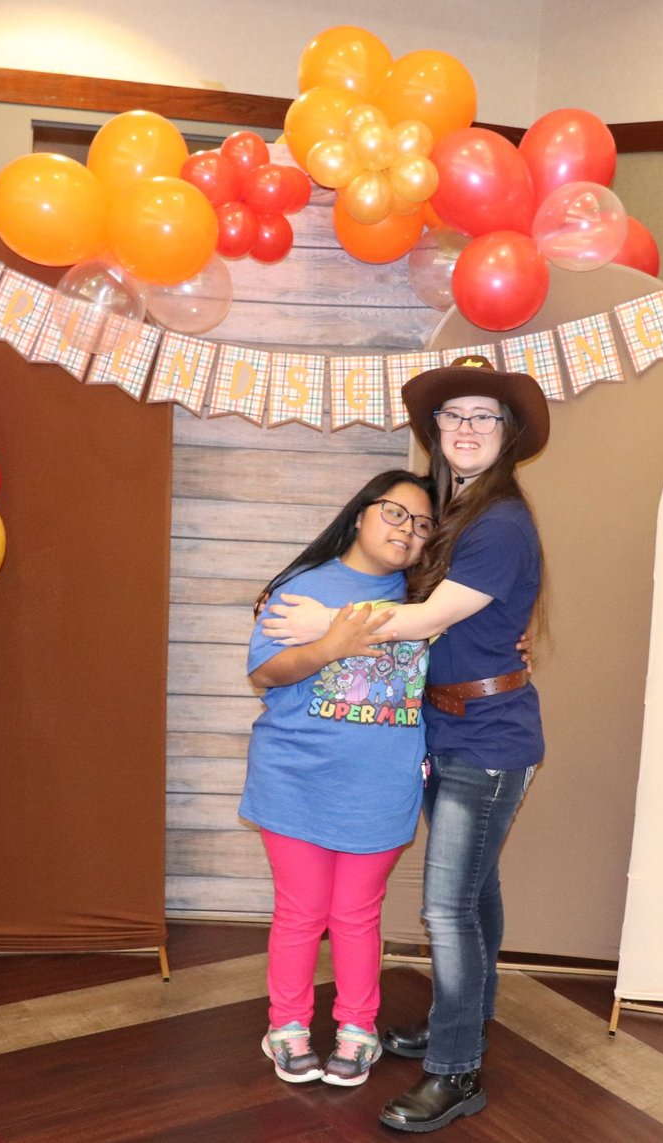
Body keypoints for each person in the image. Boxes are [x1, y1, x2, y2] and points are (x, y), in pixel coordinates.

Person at [264, 355, 549, 1132]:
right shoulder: (451, 512)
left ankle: (456, 1070)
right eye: (453, 415)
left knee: (447, 908)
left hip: (488, 739)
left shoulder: (500, 521)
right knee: (475, 896)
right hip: (443, 726)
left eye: (484, 416)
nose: (466, 427)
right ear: (435, 429)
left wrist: (323, 622)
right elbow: (422, 603)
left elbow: (423, 620)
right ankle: (464, 1021)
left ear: (508, 434)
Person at [242, 469, 438, 1088]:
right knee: (301, 910)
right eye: (395, 513)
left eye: (422, 524)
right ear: (360, 515)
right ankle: (287, 1026)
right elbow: (265, 674)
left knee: (356, 913)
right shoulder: (304, 587)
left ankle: (358, 1029)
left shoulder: (429, 602)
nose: (407, 530)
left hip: (381, 786)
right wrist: (331, 644)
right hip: (296, 778)